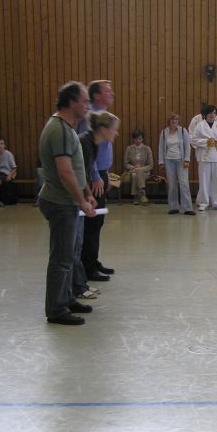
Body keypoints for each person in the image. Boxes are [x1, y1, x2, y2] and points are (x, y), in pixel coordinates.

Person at [38, 81, 96, 326]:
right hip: (60, 203)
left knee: (69, 255)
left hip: (66, 201)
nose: (87, 106)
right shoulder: (60, 130)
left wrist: (86, 192)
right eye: (84, 101)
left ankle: (67, 298)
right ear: (71, 102)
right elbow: (65, 171)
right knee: (61, 259)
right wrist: (81, 200)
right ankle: (56, 309)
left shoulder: (66, 128)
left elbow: (76, 167)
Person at [76, 111, 120, 302]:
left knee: (83, 235)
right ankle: (77, 286)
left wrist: (87, 195)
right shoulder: (85, 143)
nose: (116, 133)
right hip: (66, 198)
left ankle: (79, 283)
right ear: (102, 129)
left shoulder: (93, 144)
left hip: (81, 192)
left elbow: (83, 173)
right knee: (76, 241)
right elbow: (76, 174)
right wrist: (83, 199)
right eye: (114, 129)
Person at [79, 80, 116, 282]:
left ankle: (92, 260)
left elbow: (102, 151)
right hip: (93, 175)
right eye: (107, 91)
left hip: (101, 172)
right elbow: (86, 152)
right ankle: (88, 265)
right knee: (92, 221)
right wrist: (94, 176)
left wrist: (105, 173)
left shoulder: (104, 115)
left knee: (98, 221)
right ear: (96, 95)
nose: (111, 94)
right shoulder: (91, 117)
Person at [191, 104, 217, 211]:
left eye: (214, 113)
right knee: (204, 180)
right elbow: (194, 140)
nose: (212, 115)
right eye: (210, 113)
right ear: (205, 114)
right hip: (204, 156)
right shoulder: (200, 126)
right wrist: (206, 141)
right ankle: (203, 202)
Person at [158, 113, 194, 215]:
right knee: (172, 184)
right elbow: (161, 147)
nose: (174, 121)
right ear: (169, 121)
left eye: (176, 119)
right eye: (173, 119)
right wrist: (161, 161)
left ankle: (187, 208)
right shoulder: (164, 132)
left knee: (184, 184)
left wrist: (187, 160)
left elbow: (187, 146)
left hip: (181, 160)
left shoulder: (183, 131)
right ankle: (174, 207)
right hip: (169, 160)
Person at [124, 130, 154, 205]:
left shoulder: (147, 149)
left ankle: (136, 197)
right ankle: (142, 193)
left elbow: (151, 165)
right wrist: (133, 167)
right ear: (133, 139)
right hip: (133, 171)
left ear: (142, 139)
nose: (138, 140)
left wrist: (140, 169)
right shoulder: (129, 148)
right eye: (136, 139)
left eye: (140, 139)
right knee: (135, 174)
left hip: (145, 172)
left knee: (138, 173)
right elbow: (126, 164)